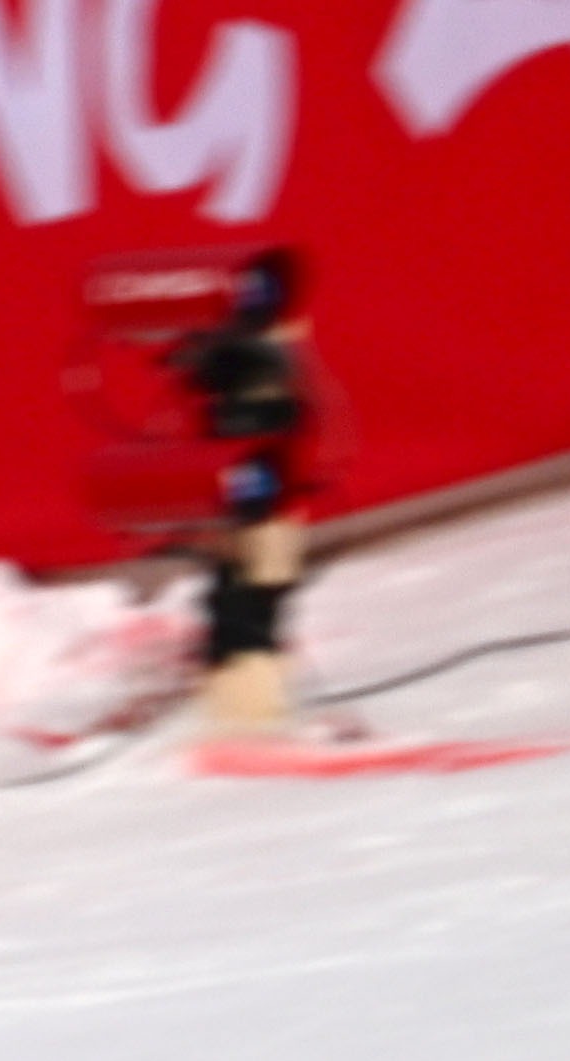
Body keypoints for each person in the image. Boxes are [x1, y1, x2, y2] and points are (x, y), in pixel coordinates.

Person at [171, 245, 324, 733]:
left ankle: (258, 705)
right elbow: (205, 391)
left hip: (270, 495)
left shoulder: (280, 344)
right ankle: (225, 687)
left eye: (259, 290)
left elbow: (290, 415)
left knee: (260, 591)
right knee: (230, 584)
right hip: (235, 487)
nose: (250, 297)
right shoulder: (235, 340)